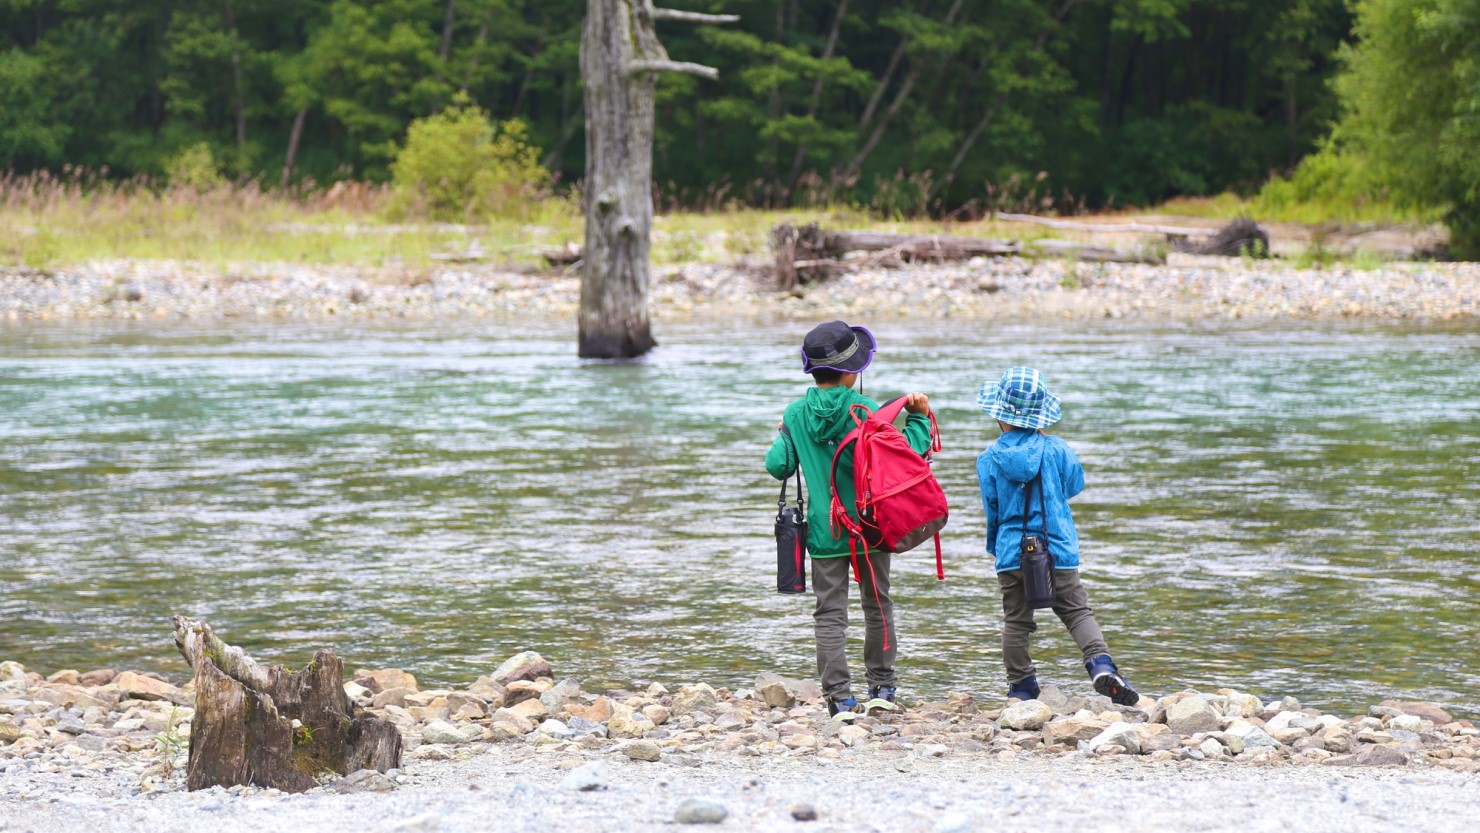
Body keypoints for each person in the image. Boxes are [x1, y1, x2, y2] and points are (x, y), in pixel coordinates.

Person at [765, 320, 934, 720]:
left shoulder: (796, 413)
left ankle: (839, 698)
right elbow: (908, 455)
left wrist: (785, 434)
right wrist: (920, 419)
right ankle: (882, 688)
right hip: (870, 527)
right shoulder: (867, 410)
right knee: (877, 606)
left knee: (829, 614)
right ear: (852, 370)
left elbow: (779, 465)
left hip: (824, 532)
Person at [975, 366, 1140, 706]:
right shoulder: (1057, 449)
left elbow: (992, 510)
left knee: (1016, 621)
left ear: (999, 417)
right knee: (1077, 611)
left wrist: (997, 551)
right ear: (1040, 416)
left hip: (1012, 552)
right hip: (1058, 549)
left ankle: (1021, 686)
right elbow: (1074, 486)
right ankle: (1100, 665)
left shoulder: (988, 459)